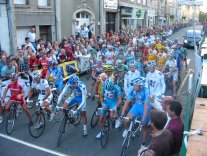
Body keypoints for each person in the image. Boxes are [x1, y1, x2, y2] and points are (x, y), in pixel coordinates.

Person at [121, 77, 150, 148]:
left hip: (145, 107)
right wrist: (122, 114)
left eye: (136, 85)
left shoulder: (146, 91)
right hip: (137, 105)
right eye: (134, 85)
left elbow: (146, 106)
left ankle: (143, 144)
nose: (134, 87)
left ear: (141, 86)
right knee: (126, 120)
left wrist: (143, 120)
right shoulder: (132, 89)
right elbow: (127, 102)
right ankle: (128, 130)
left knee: (144, 127)